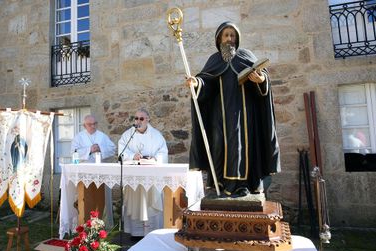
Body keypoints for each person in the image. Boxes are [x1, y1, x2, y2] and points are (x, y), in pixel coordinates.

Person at [186, 21, 280, 197]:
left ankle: (243, 185)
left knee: (242, 148)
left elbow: (263, 80)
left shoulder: (246, 55)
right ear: (219, 39)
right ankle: (220, 183)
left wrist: (260, 80)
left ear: (237, 39)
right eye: (226, 35)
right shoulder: (214, 60)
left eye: (232, 35)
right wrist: (196, 83)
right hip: (219, 116)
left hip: (244, 115)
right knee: (219, 147)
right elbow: (206, 83)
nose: (229, 39)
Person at [118, 108, 168, 236]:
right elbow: (121, 152)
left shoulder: (156, 135)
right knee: (135, 202)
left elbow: (163, 152)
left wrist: (154, 159)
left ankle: (152, 232)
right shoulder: (128, 135)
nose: (138, 121)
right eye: (136, 118)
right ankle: (136, 233)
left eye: (141, 118)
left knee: (151, 203)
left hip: (151, 177)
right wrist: (132, 156)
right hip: (134, 177)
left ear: (148, 119)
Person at [71, 115, 116, 227]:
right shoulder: (79, 137)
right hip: (84, 173)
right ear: (84, 125)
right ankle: (85, 224)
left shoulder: (102, 136)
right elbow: (73, 152)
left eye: (95, 123)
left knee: (100, 199)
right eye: (90, 124)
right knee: (87, 198)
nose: (93, 126)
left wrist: (101, 149)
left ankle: (101, 224)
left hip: (100, 172)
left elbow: (112, 149)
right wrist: (89, 150)